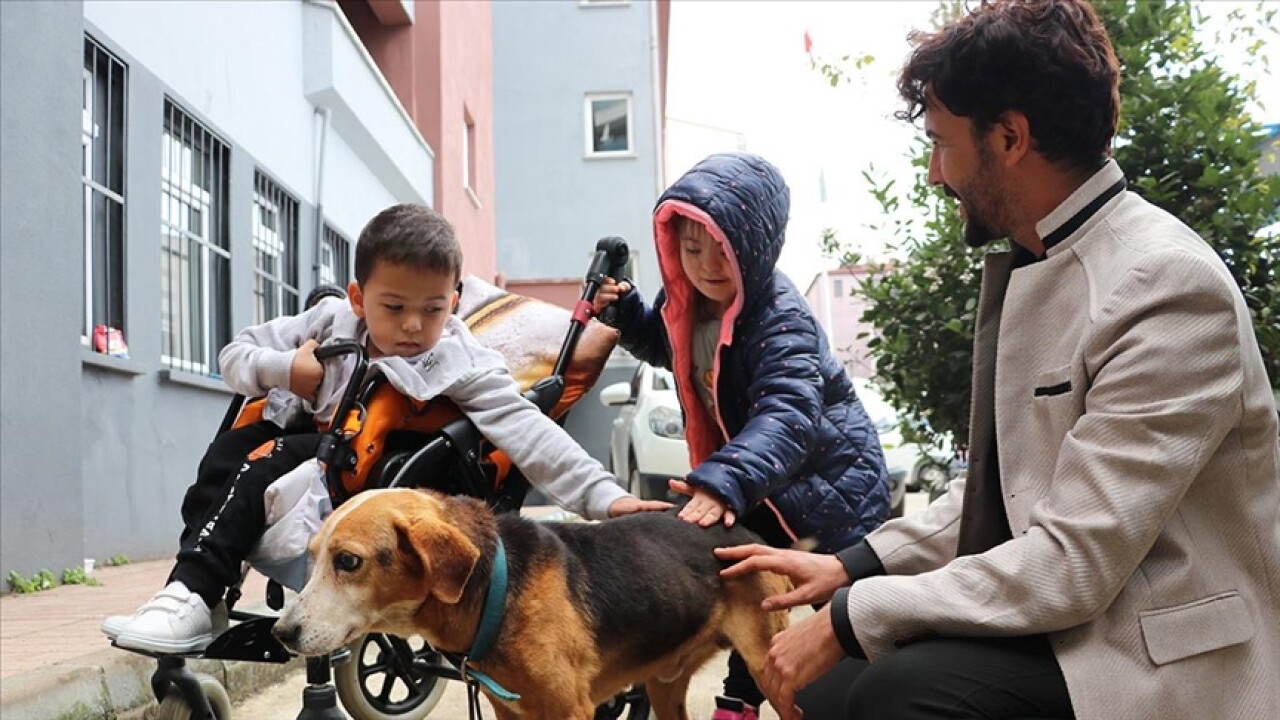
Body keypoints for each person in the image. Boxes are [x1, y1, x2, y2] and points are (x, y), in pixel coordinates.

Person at [716, 1, 1280, 719]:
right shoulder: (1051, 260)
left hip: (1160, 650)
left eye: (942, 143)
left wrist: (856, 612)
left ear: (1011, 137)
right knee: (833, 685)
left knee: (899, 692)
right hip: (1081, 621)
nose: (932, 174)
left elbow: (1073, 561)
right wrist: (850, 566)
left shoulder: (1164, 284)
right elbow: (1011, 493)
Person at [103, 203, 669, 654]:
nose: (413, 326)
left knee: (265, 458)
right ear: (357, 297)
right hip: (315, 448)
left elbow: (529, 430)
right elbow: (235, 354)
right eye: (393, 307)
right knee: (238, 447)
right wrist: (286, 369)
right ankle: (197, 591)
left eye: (432, 309)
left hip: (377, 480)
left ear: (453, 301)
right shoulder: (329, 322)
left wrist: (606, 498)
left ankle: (195, 591)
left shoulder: (459, 360)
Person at [594, 152, 891, 720]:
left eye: (721, 250)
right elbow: (666, 346)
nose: (706, 265)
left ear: (752, 250)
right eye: (691, 248)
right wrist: (629, 313)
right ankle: (739, 700)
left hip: (828, 487)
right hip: (762, 486)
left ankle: (878, 688)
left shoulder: (781, 318)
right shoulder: (688, 306)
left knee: (847, 609)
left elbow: (788, 413)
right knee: (746, 583)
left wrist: (724, 480)